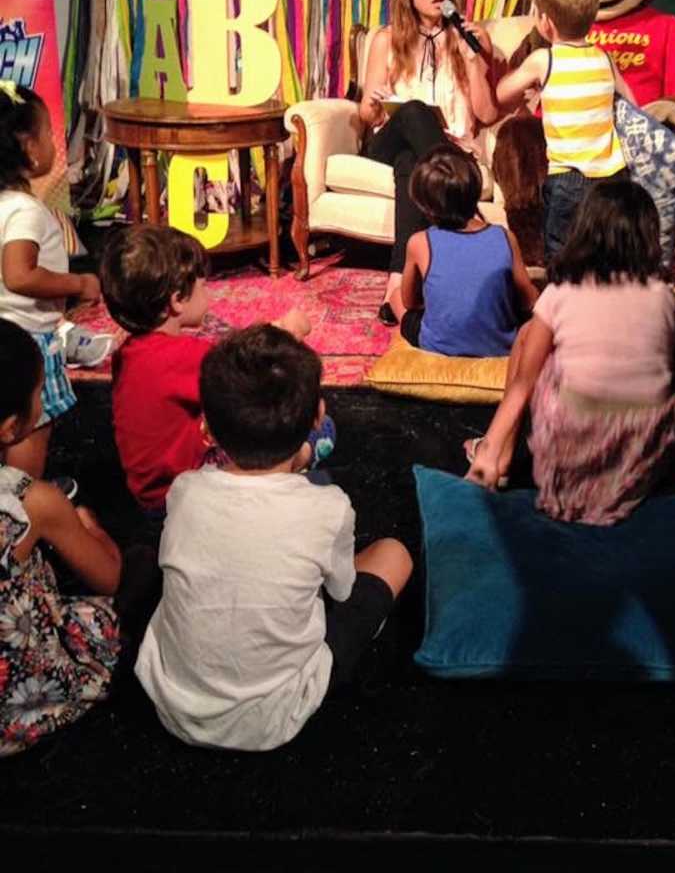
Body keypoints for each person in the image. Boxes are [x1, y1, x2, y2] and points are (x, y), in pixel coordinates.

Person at [136, 324, 413, 751]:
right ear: (318, 416)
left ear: (207, 428)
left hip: (172, 703)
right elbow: (340, 590)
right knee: (394, 554)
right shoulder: (329, 507)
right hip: (277, 714)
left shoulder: (185, 490)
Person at [466, 180, 675, 524]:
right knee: (671, 391)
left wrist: (486, 457)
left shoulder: (561, 291)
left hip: (566, 466)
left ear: (583, 230)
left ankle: (499, 455)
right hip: (642, 466)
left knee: (529, 338)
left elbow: (523, 384)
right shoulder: (667, 299)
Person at [99, 224, 330, 525]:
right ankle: (297, 463)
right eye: (203, 286)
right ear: (176, 300)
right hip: (181, 497)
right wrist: (288, 330)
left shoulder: (127, 353)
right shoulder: (180, 356)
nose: (208, 294)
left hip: (148, 494)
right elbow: (249, 364)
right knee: (322, 427)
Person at [0, 319, 121, 756]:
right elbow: (108, 577)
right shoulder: (33, 499)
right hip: (14, 704)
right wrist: (88, 523)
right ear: (11, 427)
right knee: (106, 609)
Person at [360, 0, 497, 324]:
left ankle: (395, 288)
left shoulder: (467, 38)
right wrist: (373, 101)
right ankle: (465, 202)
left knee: (411, 164)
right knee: (415, 111)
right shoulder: (387, 40)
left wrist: (475, 62)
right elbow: (365, 114)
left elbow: (487, 113)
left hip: (428, 153)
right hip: (387, 141)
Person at [495, 0, 636, 258]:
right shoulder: (604, 57)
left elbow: (502, 94)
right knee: (602, 251)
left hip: (568, 178)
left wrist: (528, 86)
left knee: (560, 252)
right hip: (612, 176)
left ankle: (562, 297)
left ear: (546, 23)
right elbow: (632, 104)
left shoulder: (543, 59)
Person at [0, 82, 105, 478]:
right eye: (47, 134)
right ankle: (24, 498)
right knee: (32, 426)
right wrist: (78, 285)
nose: (51, 142)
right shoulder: (25, 211)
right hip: (28, 341)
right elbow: (19, 274)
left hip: (5, 336)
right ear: (28, 146)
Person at [392, 144, 537, 355]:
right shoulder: (504, 236)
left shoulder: (419, 242)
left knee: (396, 296)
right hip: (500, 345)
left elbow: (409, 301)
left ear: (425, 205)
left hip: (438, 345)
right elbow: (529, 300)